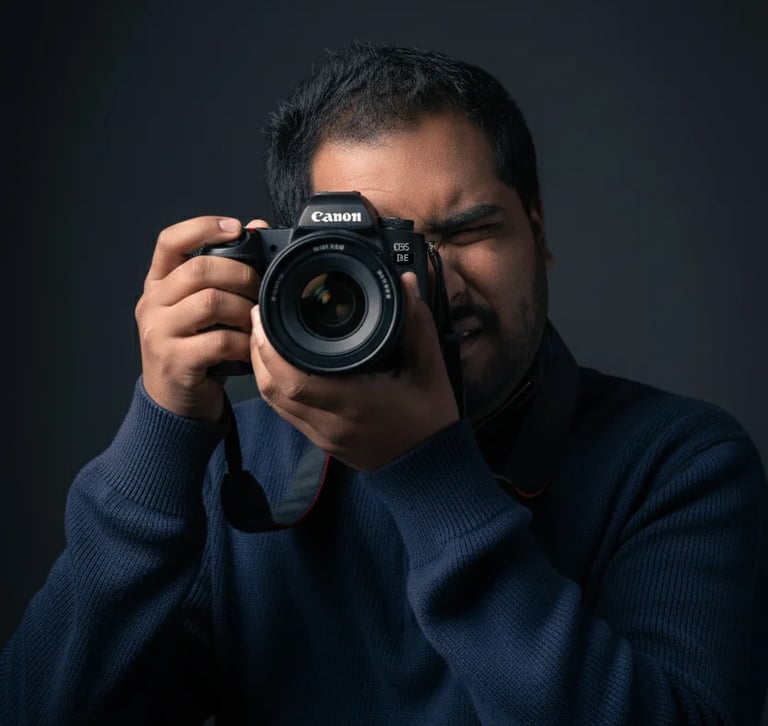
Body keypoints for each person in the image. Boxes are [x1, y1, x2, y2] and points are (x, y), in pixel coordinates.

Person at [2, 41, 767, 725]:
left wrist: (427, 473)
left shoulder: (681, 465)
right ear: (291, 265)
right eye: (379, 249)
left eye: (467, 231)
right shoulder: (239, 474)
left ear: (539, 234)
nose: (431, 285)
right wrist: (163, 436)